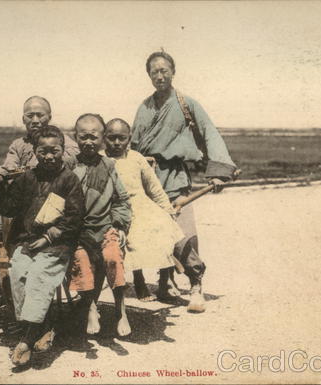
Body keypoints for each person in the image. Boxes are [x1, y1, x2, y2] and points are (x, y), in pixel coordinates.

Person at [130, 51, 238, 313]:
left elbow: (210, 134)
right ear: (148, 75)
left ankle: (195, 286)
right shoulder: (143, 108)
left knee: (184, 232)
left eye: (164, 70)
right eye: (154, 71)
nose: (159, 76)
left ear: (173, 72)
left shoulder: (187, 104)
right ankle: (159, 281)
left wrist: (218, 173)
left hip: (176, 177)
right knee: (150, 231)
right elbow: (131, 146)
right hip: (148, 178)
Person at [0, 96, 79, 313]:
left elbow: (69, 161)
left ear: (50, 117)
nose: (35, 119)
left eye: (41, 115)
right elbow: (10, 169)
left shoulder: (65, 142)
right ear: (23, 119)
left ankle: (31, 300)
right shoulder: (18, 145)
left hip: (52, 210)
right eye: (30, 115)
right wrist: (3, 175)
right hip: (21, 208)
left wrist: (40, 161)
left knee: (25, 245)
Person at [0, 125, 85, 366]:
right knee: (17, 273)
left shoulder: (69, 180)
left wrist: (49, 237)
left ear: (62, 150)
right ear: (35, 152)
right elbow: (10, 208)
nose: (49, 156)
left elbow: (75, 217)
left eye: (55, 150)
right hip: (28, 241)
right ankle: (41, 325)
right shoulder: (28, 177)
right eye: (43, 151)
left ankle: (27, 340)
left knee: (40, 274)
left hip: (57, 243)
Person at [102, 118, 184, 301]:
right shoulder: (101, 159)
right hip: (115, 207)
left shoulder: (136, 158)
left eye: (121, 138)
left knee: (165, 226)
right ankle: (139, 280)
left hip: (141, 205)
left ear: (129, 138)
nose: (116, 143)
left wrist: (168, 211)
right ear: (104, 138)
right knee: (133, 235)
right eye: (111, 138)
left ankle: (165, 281)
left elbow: (154, 188)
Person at [67, 113, 133, 337]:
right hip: (77, 233)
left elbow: (122, 200)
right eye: (83, 137)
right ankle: (91, 308)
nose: (88, 142)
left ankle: (121, 311)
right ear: (75, 137)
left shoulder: (108, 165)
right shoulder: (68, 165)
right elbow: (56, 199)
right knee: (82, 261)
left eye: (94, 137)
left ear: (103, 138)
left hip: (105, 229)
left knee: (113, 258)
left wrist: (119, 225)